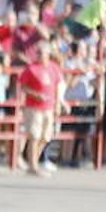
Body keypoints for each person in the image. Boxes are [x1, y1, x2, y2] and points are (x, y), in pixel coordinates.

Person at [18, 42, 63, 176]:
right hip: (34, 107)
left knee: (45, 137)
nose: (38, 55)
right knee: (34, 136)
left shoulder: (54, 68)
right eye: (37, 52)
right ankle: (33, 166)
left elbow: (57, 86)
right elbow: (23, 86)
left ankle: (34, 161)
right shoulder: (31, 68)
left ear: (48, 54)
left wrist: (59, 103)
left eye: (41, 52)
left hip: (48, 107)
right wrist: (35, 94)